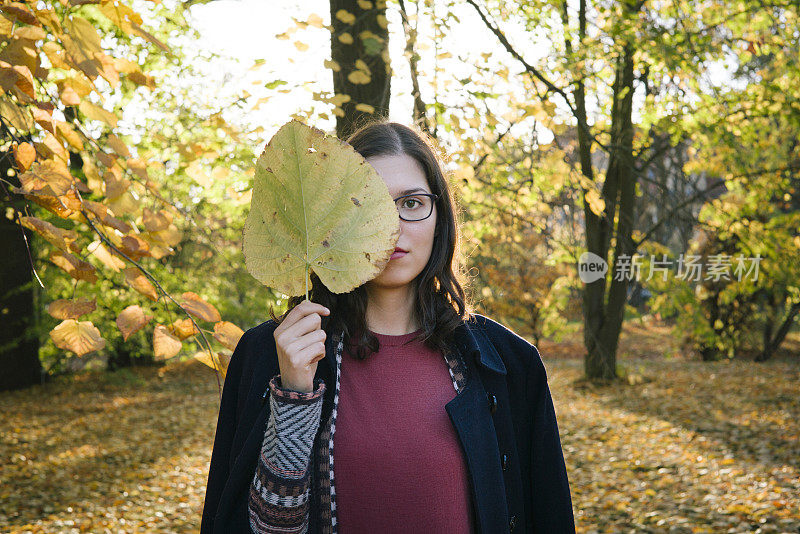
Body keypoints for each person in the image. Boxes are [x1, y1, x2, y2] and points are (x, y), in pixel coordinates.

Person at [200, 120, 575, 534]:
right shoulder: (269, 354)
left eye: (412, 203)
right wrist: (293, 400)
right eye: (369, 204)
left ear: (440, 217)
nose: (392, 226)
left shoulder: (508, 364)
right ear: (336, 219)